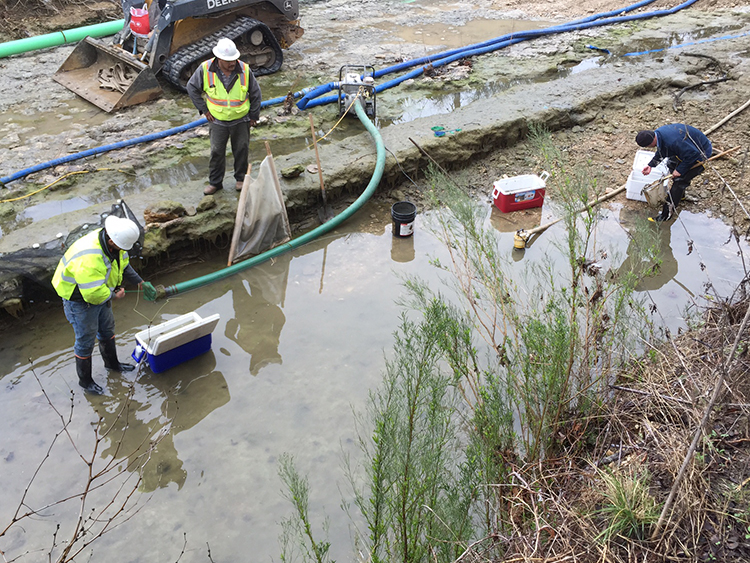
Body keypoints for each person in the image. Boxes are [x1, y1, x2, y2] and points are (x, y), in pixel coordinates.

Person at [52, 216, 149, 395]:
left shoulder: (115, 243)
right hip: (79, 300)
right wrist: (114, 295)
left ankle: (112, 365)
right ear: (112, 240)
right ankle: (85, 382)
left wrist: (140, 282)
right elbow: (92, 294)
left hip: (100, 293)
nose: (123, 250)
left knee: (107, 329)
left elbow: (123, 265)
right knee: (85, 339)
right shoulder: (89, 257)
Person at [187, 37, 262, 195]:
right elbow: (192, 87)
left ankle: (240, 179)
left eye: (234, 59)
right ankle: (215, 183)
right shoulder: (205, 69)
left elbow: (256, 93)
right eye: (228, 60)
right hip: (218, 120)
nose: (232, 63)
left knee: (241, 149)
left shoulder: (244, 69)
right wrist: (204, 110)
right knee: (216, 152)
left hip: (241, 119)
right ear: (218, 59)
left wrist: (254, 115)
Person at [635, 123, 712, 222]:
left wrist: (680, 170)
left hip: (700, 153)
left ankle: (665, 216)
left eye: (649, 147)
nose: (651, 148)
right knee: (671, 164)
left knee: (679, 182)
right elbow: (662, 151)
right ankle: (681, 196)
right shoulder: (659, 134)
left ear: (651, 141)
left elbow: (693, 154)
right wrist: (651, 165)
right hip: (686, 150)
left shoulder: (673, 141)